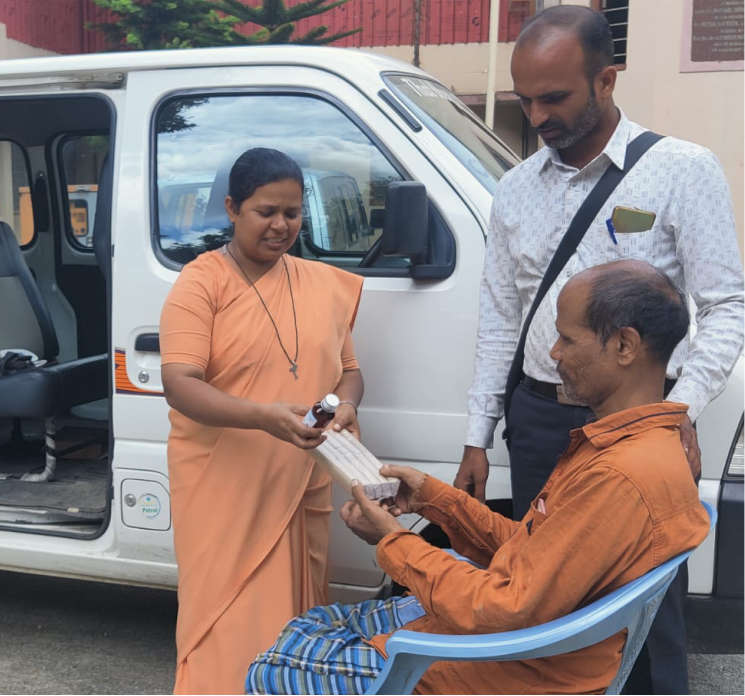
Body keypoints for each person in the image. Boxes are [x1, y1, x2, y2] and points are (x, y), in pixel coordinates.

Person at [247, 260, 711, 696]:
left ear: (624, 346)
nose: (553, 353)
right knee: (313, 623)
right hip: (524, 641)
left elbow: (508, 608)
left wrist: (392, 541)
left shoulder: (619, 474)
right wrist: (435, 501)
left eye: (567, 340)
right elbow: (532, 552)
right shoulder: (648, 445)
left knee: (270, 664)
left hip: (501, 667)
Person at [453, 6, 745, 694]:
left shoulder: (680, 170)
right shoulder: (514, 190)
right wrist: (477, 436)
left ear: (606, 80)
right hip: (539, 424)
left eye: (553, 98)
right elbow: (499, 319)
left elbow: (726, 305)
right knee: (540, 602)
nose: (536, 116)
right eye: (524, 101)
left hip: (637, 430)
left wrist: (676, 412)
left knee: (644, 608)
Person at [160, 147, 365, 696]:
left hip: (300, 476)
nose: (281, 226)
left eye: (292, 213)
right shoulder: (202, 284)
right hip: (222, 481)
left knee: (296, 613)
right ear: (232, 208)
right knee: (222, 616)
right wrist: (264, 418)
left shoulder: (323, 283)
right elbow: (180, 384)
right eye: (266, 212)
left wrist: (346, 406)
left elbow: (349, 372)